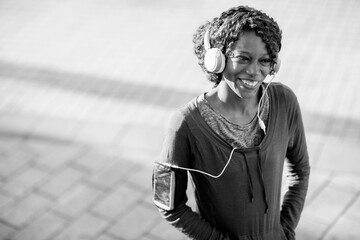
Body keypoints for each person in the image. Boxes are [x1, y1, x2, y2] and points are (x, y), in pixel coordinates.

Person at [152, 5, 310, 240]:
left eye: (265, 61)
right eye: (243, 58)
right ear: (216, 59)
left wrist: (285, 229)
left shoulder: (284, 101)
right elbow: (167, 202)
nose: (255, 72)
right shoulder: (184, 123)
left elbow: (301, 169)